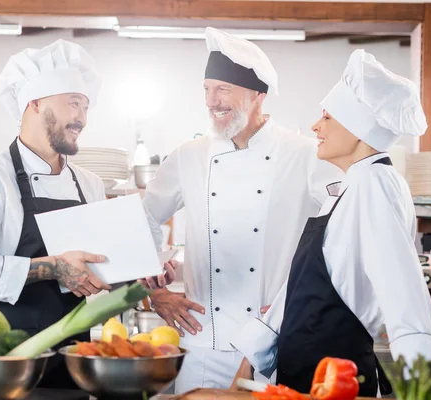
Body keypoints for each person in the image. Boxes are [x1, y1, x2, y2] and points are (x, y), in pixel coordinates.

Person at [0, 39, 175, 389]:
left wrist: (142, 277)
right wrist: (52, 266)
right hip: (5, 357)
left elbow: (96, 272)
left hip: (73, 356)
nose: (81, 117)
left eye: (86, 106)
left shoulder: (90, 184)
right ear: (34, 103)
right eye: (73, 103)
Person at [229, 49, 431, 397]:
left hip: (338, 386)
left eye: (327, 117)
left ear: (359, 130)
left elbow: (404, 298)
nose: (315, 125)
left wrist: (427, 388)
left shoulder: (374, 185)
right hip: (305, 380)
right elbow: (297, 293)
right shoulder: (349, 187)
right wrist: (249, 361)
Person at [141, 27, 343, 394]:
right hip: (201, 341)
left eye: (223, 89)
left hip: (274, 342)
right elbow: (142, 220)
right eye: (206, 89)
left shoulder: (303, 154)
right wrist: (154, 286)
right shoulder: (190, 155)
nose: (211, 100)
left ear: (257, 96)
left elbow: (343, 229)